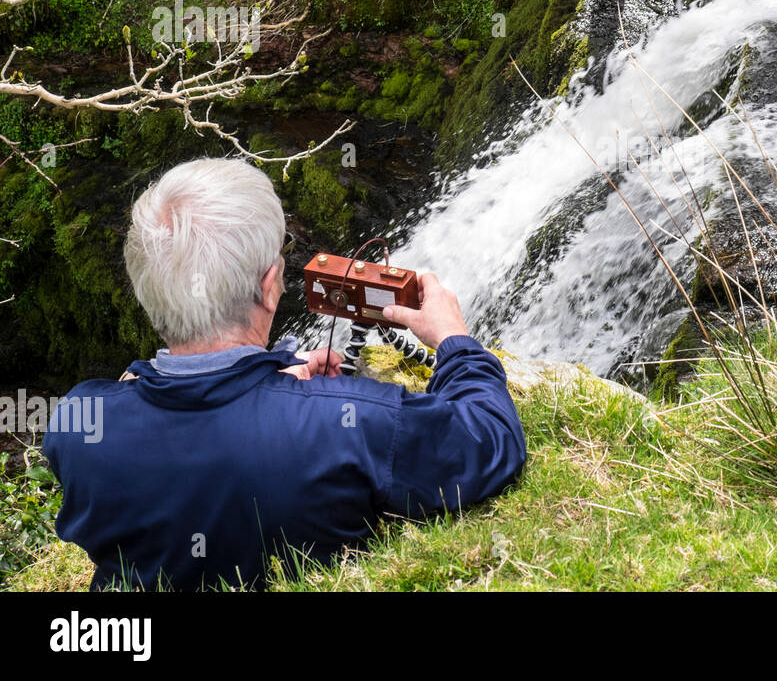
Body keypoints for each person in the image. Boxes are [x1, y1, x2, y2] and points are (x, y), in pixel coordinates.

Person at [42, 157, 525, 590]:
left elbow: (162, 419)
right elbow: (490, 439)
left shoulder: (77, 424)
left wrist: (270, 381)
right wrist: (455, 342)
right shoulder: (351, 426)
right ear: (270, 287)